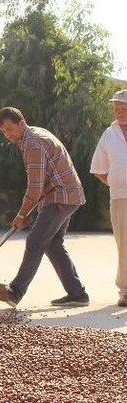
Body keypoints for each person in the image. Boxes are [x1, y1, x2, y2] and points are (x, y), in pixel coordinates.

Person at [0, 107, 88, 307]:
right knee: (53, 243)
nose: (8, 135)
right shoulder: (32, 135)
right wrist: (27, 212)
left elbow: (35, 187)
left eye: (10, 129)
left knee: (35, 240)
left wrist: (22, 214)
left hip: (61, 197)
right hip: (67, 195)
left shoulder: (33, 143)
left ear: (21, 123)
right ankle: (78, 294)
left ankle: (15, 291)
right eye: (4, 132)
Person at [90, 89, 127, 307]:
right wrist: (116, 182)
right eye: (117, 109)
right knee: (124, 245)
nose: (120, 112)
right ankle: (125, 291)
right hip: (120, 198)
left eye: (124, 108)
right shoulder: (109, 134)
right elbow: (99, 169)